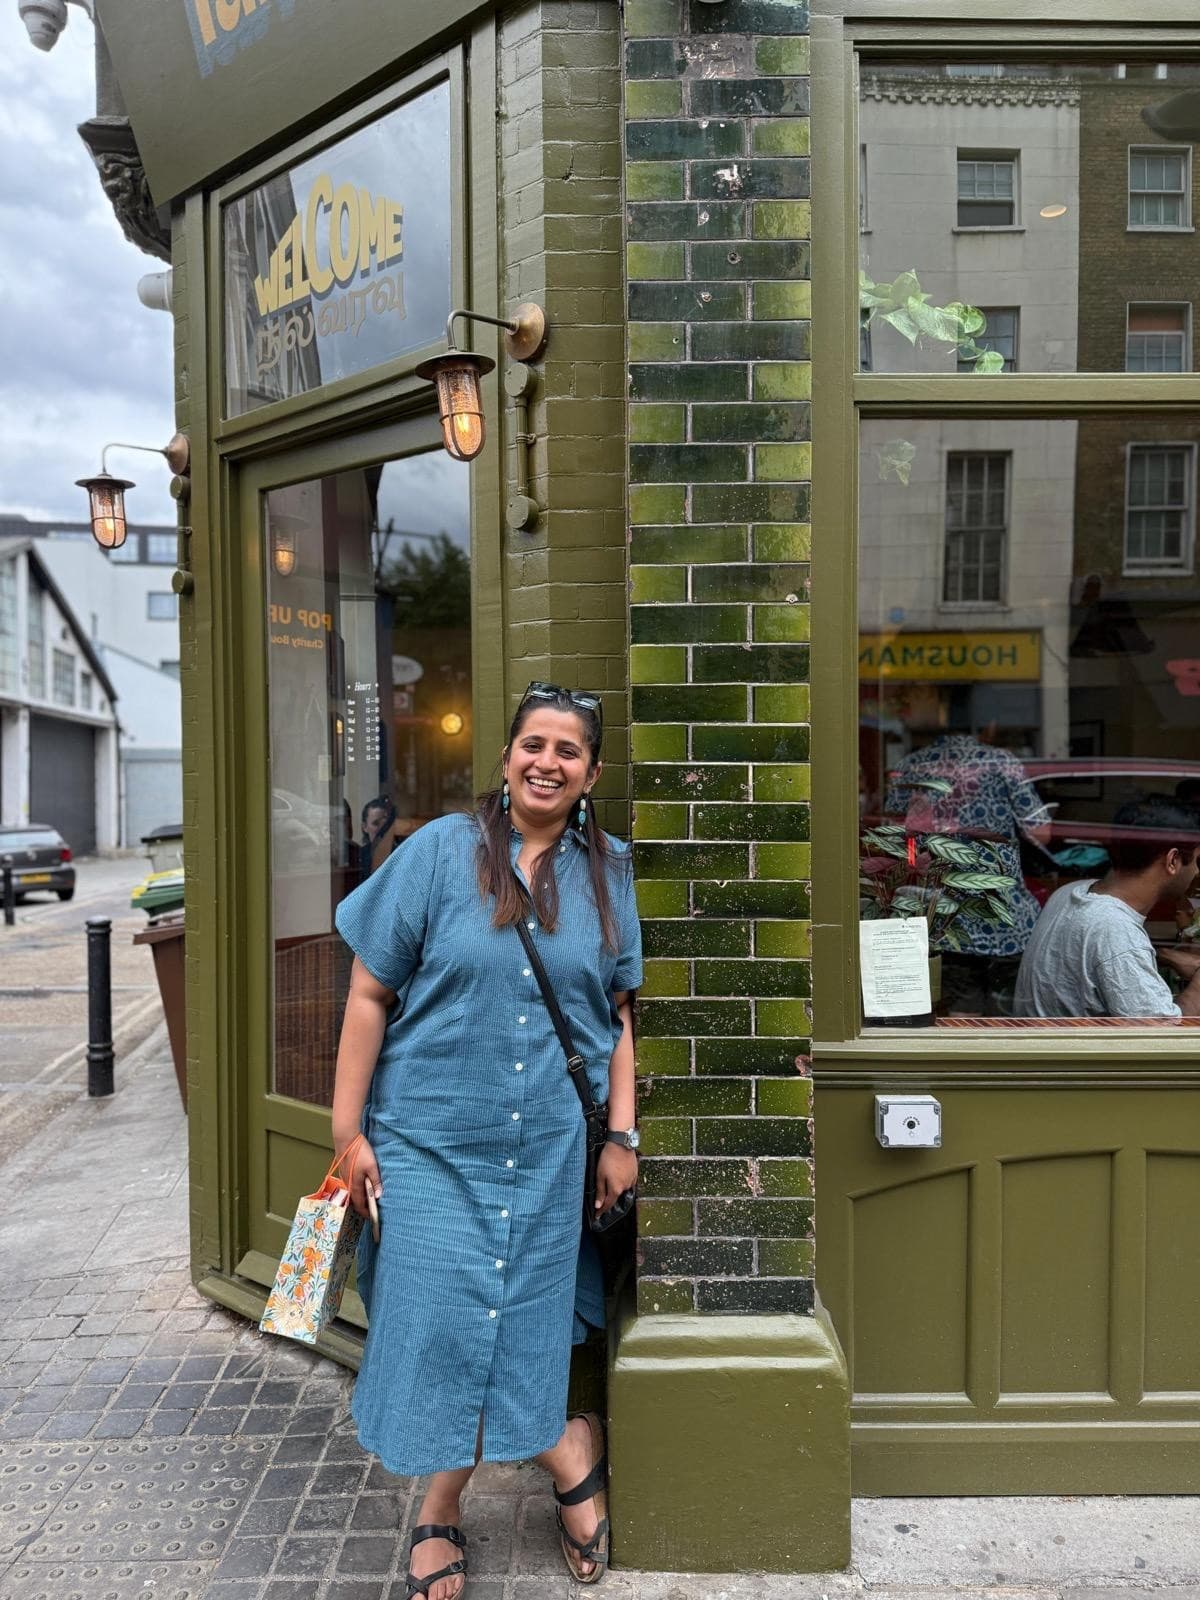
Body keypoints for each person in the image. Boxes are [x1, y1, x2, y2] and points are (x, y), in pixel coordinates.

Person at [331, 683, 642, 1598]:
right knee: (436, 1321)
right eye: (533, 744)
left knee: (519, 1317)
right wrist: (347, 1133)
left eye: (569, 750)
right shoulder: (437, 854)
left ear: (591, 772)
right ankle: (556, 1458)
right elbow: (366, 996)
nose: (549, 762)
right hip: (427, 1139)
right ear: (506, 757)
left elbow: (620, 1017)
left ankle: (449, 1504)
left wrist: (619, 1137)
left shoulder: (610, 873)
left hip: (548, 1150)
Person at [885, 709, 1050, 1015]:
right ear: (987, 724)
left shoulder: (912, 764)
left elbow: (899, 837)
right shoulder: (1001, 762)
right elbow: (1043, 832)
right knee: (1010, 1023)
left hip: (947, 921)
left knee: (959, 1020)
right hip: (1006, 920)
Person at [1014, 795, 1200, 1018]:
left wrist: (1164, 955)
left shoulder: (1071, 892)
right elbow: (1161, 1033)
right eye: (1198, 862)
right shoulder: (1114, 929)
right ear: (1173, 861)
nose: (1198, 873)